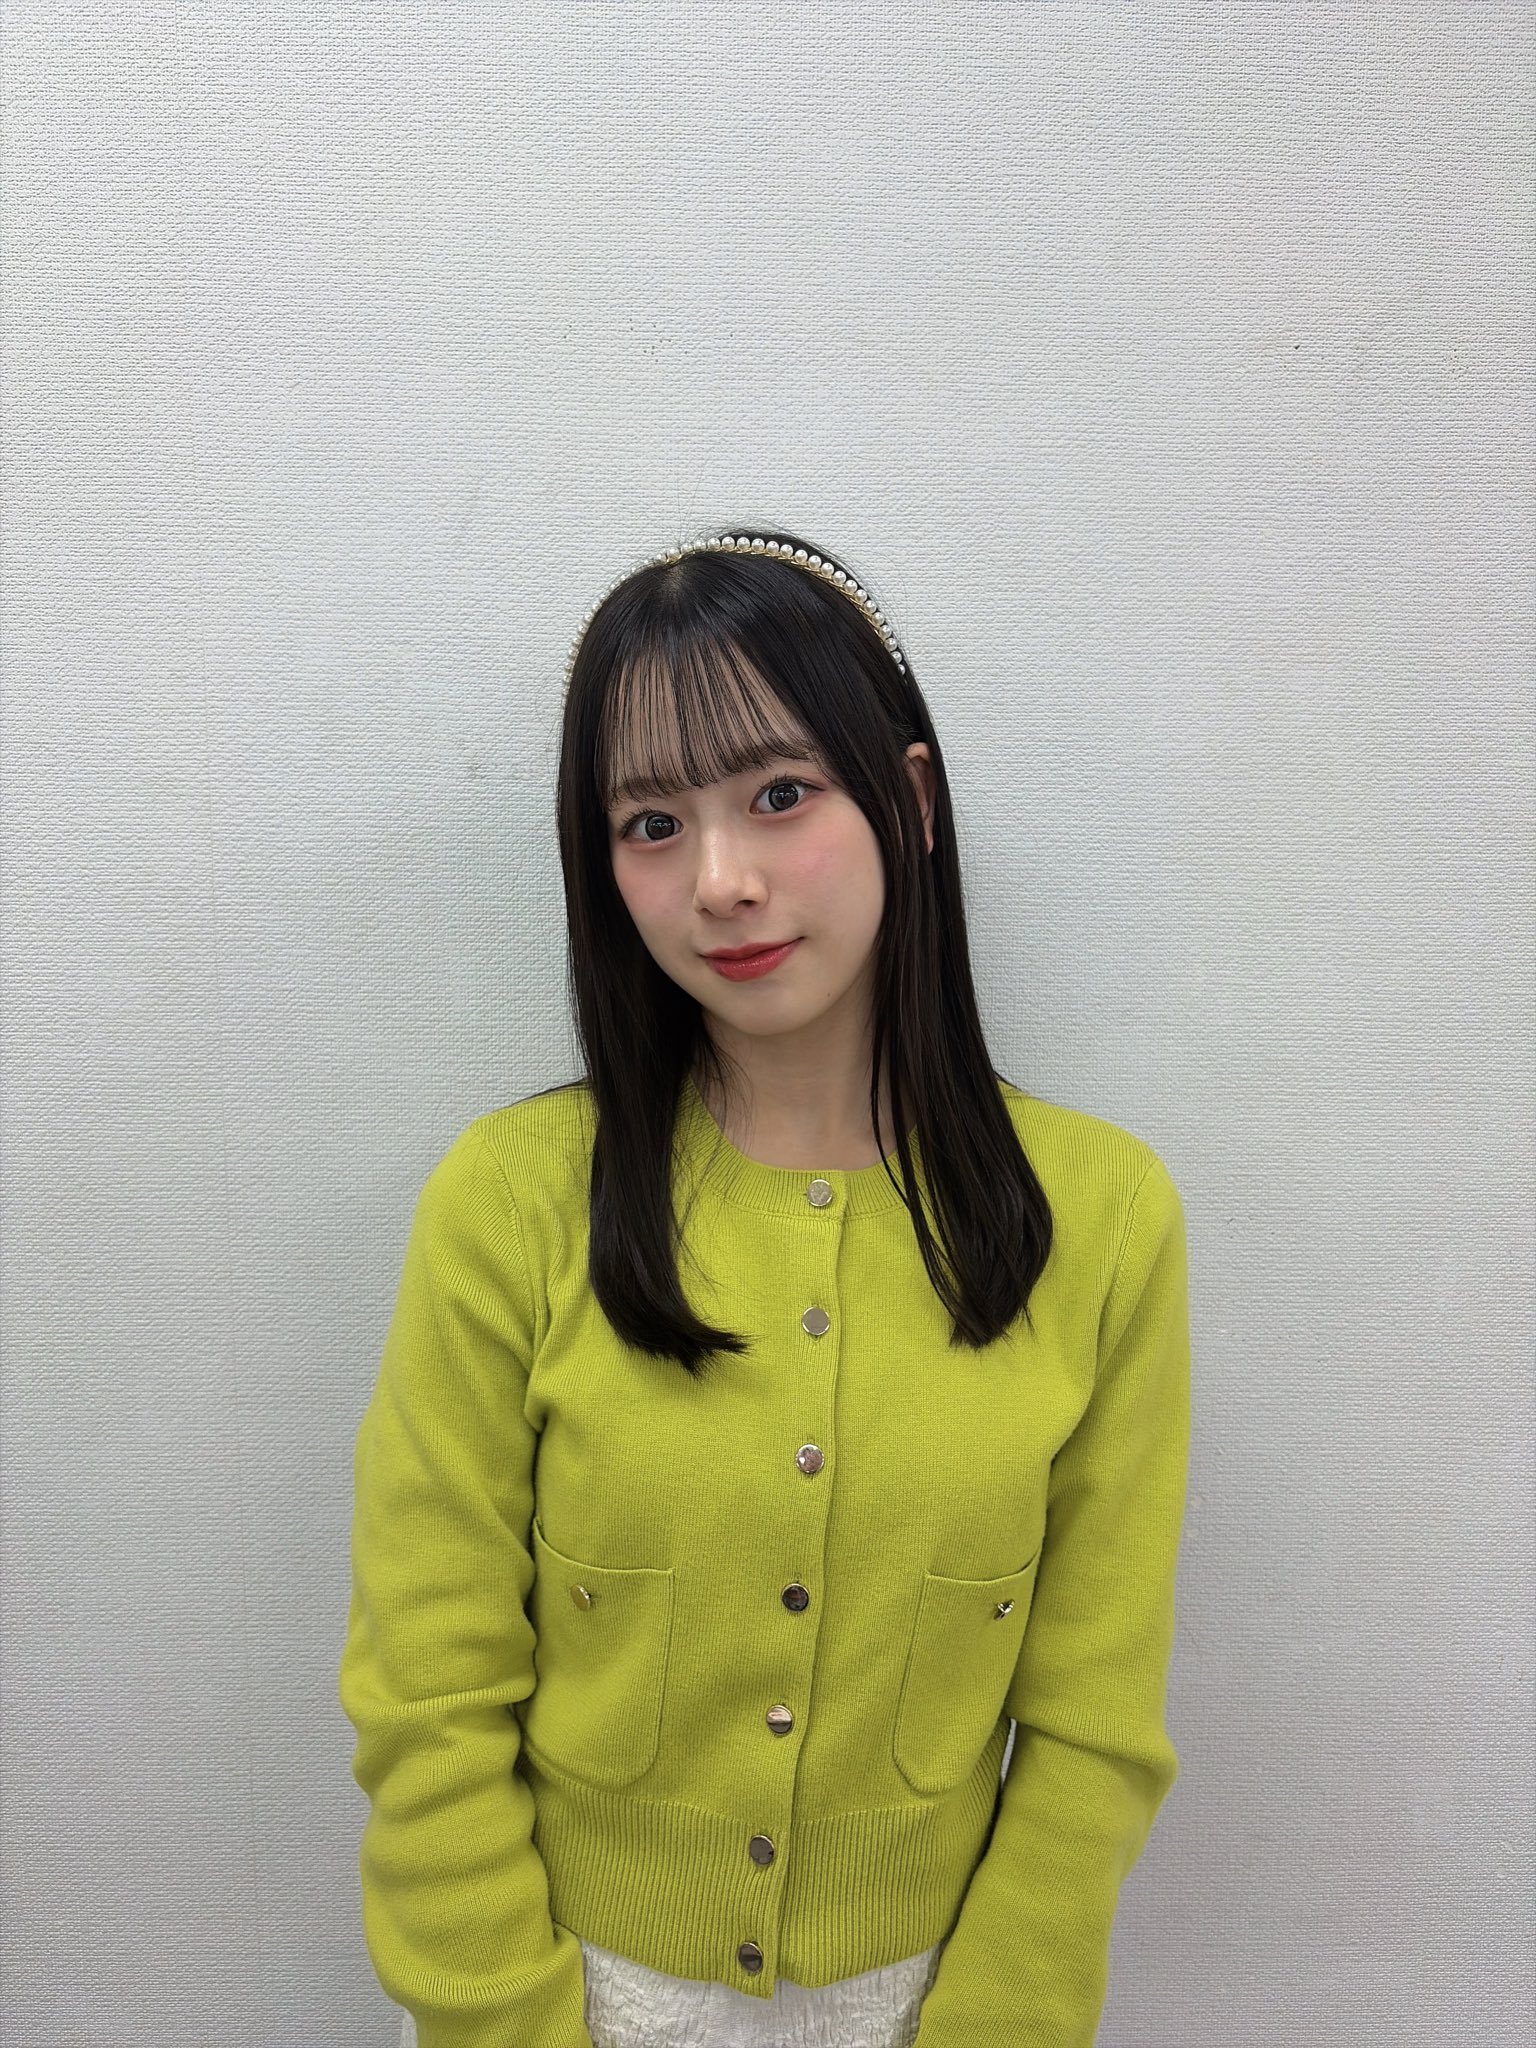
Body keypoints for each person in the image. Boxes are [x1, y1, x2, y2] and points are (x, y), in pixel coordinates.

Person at [339, 527, 1192, 2048]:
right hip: (578, 1998)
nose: (719, 882)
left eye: (780, 795)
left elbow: (1093, 1725)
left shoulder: (1102, 1222)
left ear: (908, 799)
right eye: (651, 823)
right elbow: (428, 1696)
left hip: (934, 2007)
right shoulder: (513, 1202)